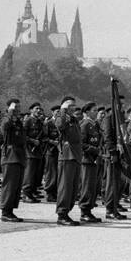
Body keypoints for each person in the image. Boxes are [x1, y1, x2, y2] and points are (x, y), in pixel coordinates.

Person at [53, 96, 82, 225]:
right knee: (65, 186)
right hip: (66, 155)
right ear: (64, 107)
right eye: (70, 106)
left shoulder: (74, 120)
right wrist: (63, 111)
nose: (73, 108)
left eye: (74, 106)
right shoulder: (61, 117)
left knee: (73, 187)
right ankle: (62, 214)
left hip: (75, 155)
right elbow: (59, 125)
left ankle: (67, 211)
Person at [0, 99, 26, 222]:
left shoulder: (17, 121)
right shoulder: (6, 119)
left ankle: (10, 211)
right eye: (15, 107)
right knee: (9, 185)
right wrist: (10, 112)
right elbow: (4, 128)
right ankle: (5, 211)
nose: (18, 109)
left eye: (19, 107)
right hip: (10, 156)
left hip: (19, 155)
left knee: (16, 186)